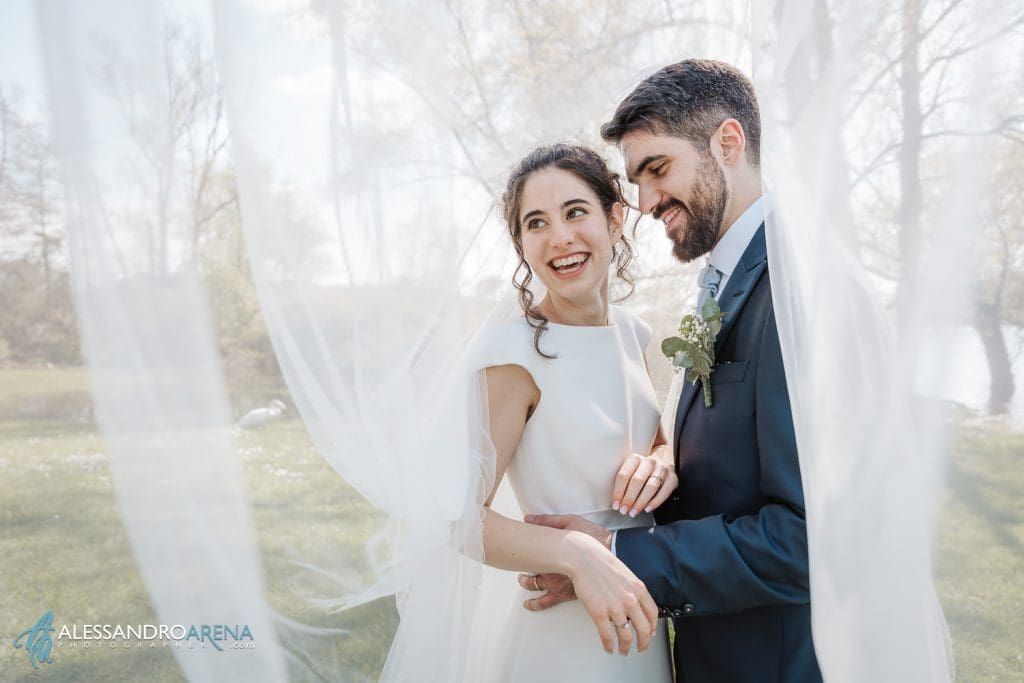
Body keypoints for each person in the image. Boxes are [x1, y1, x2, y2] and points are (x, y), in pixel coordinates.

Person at [525, 59, 824, 682]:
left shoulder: (793, 291)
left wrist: (611, 553)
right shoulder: (724, 281)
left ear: (728, 142)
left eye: (657, 170)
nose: (645, 202)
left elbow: (806, 539)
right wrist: (665, 460)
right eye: (636, 181)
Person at [471, 142, 675, 681]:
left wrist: (665, 459)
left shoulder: (633, 332)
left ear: (614, 219)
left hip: (641, 625)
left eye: (575, 212)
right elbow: (461, 519)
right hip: (563, 638)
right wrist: (577, 556)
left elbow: (644, 443)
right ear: (521, 245)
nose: (560, 236)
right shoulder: (515, 356)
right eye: (535, 222)